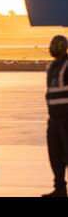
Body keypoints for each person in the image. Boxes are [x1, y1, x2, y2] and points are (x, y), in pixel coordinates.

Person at [43, 35, 68, 197]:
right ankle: (59, 189)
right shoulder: (51, 66)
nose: (50, 48)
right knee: (55, 155)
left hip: (67, 117)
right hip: (54, 118)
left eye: (53, 45)